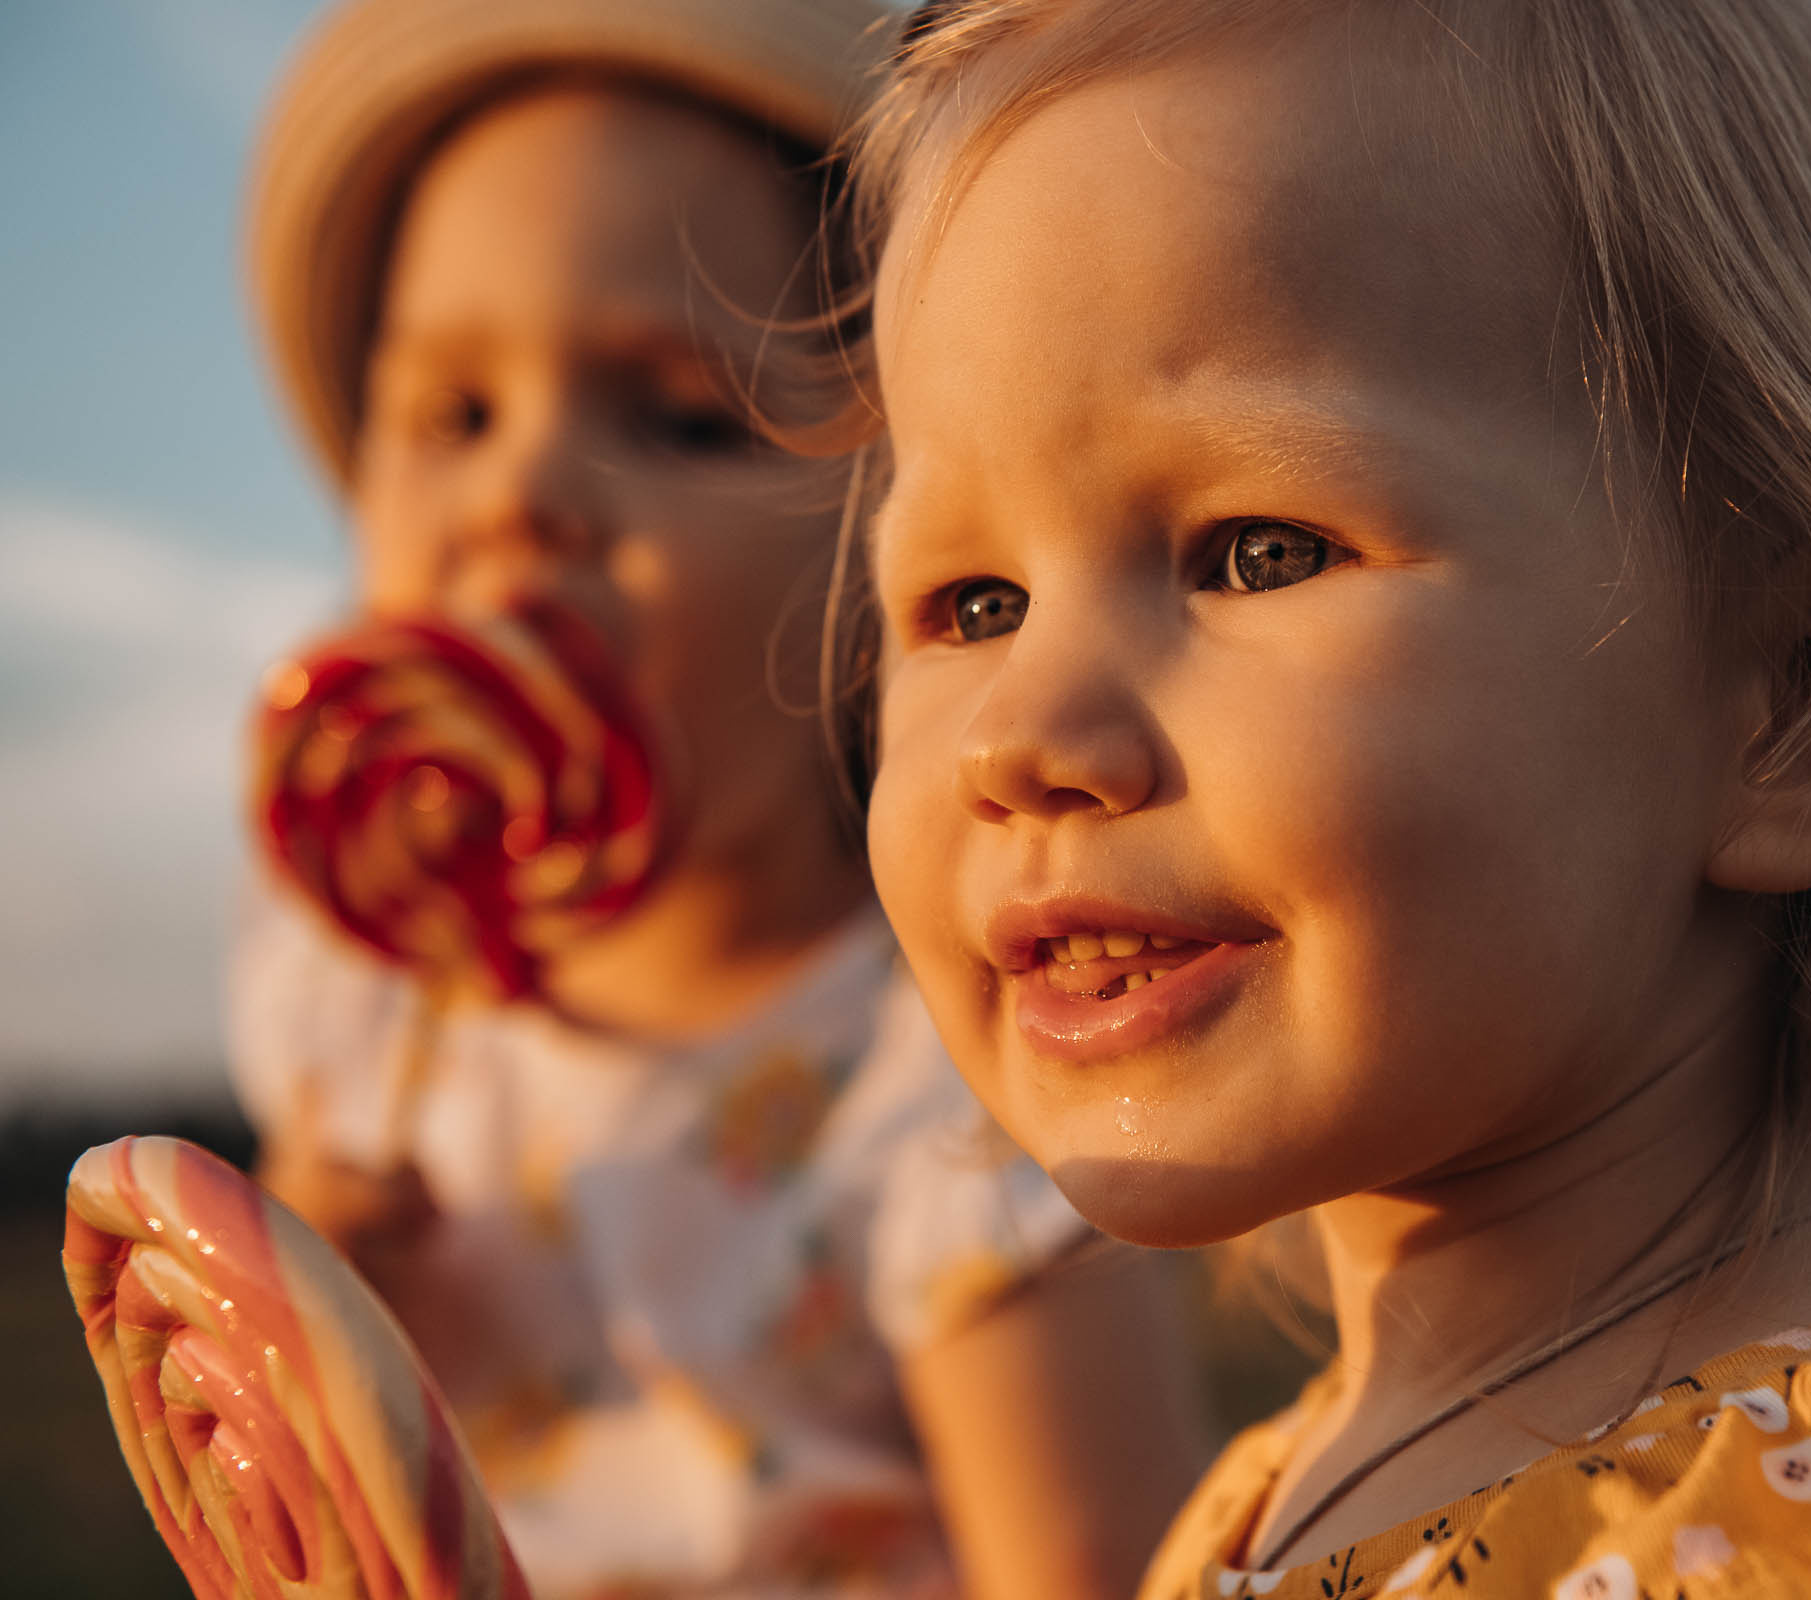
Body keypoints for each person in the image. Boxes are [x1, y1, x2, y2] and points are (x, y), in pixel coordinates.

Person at [842, 1, 1811, 1594]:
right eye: (971, 603)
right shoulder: (1284, 1487)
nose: (1020, 734)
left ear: (1807, 704)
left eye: (1261, 551)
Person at [229, 3, 1205, 1596]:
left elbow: (1095, 1567)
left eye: (679, 414)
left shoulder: (943, 1101)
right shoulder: (362, 1024)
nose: (522, 497)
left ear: (899, 543)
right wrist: (310, 1299)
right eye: (454, 417)